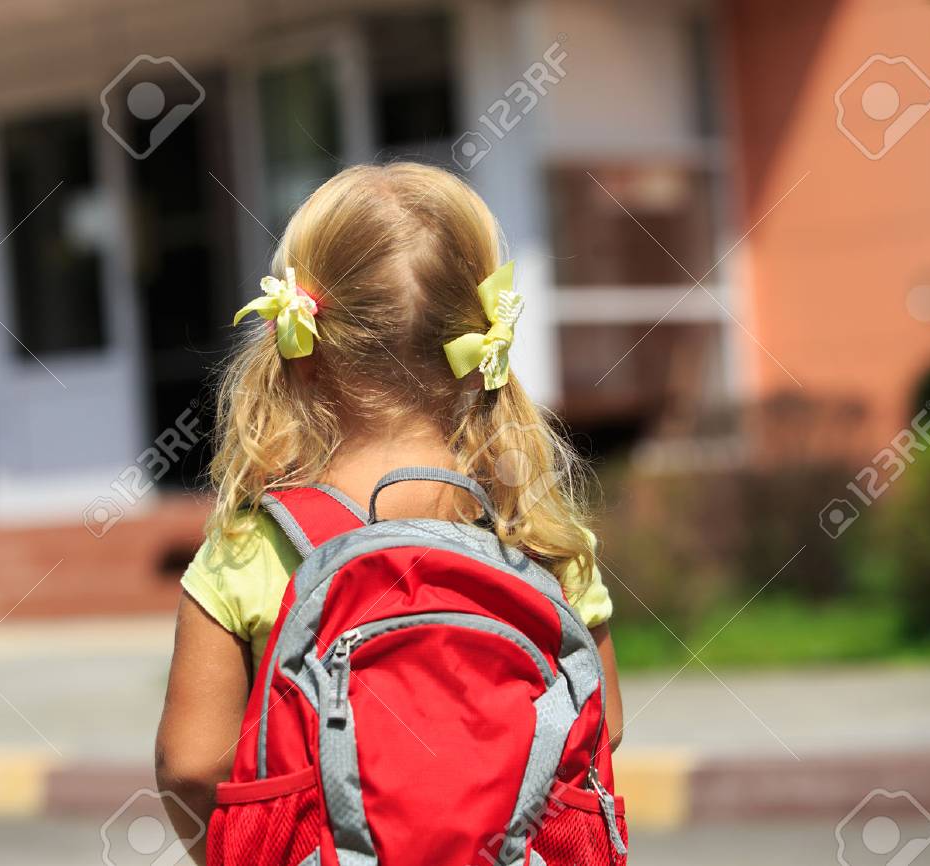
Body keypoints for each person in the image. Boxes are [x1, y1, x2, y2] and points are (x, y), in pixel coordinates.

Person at [155, 163, 622, 853]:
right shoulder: (537, 533)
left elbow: (192, 764)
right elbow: (599, 726)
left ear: (301, 348)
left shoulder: (253, 545)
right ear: (477, 341)